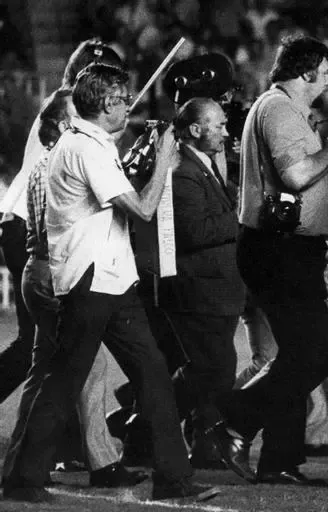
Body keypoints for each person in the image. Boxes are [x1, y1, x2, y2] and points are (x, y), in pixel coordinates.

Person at [1, 64, 218, 503]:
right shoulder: (87, 148)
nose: (127, 106)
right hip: (91, 279)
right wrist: (164, 160)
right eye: (121, 100)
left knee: (151, 374)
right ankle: (23, 479)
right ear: (103, 104)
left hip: (111, 278)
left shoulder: (90, 143)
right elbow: (142, 208)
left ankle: (174, 478)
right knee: (65, 379)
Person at [210, 35, 328, 485]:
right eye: (326, 71)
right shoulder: (278, 109)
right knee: (317, 354)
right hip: (281, 248)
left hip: (284, 247)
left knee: (297, 355)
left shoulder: (281, 109)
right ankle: (234, 418)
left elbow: (300, 172)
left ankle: (279, 460)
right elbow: (295, 175)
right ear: (307, 71)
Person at [2, 88, 146, 490]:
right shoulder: (59, 164)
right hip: (54, 276)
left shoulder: (52, 162)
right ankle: (88, 464)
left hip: (44, 274)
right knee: (80, 368)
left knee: (47, 371)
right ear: (63, 125)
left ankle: (25, 469)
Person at [0, 39, 121, 421]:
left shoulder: (63, 105)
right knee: (47, 343)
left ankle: (52, 439)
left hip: (22, 220)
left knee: (44, 345)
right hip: (31, 226)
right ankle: (59, 439)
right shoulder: (68, 107)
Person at [154, 97, 245, 468]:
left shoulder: (200, 165)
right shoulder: (183, 172)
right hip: (199, 288)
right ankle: (144, 429)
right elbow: (195, 231)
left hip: (214, 288)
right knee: (212, 369)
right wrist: (242, 214)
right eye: (219, 125)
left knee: (212, 369)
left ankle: (203, 447)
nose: (226, 132)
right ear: (195, 129)